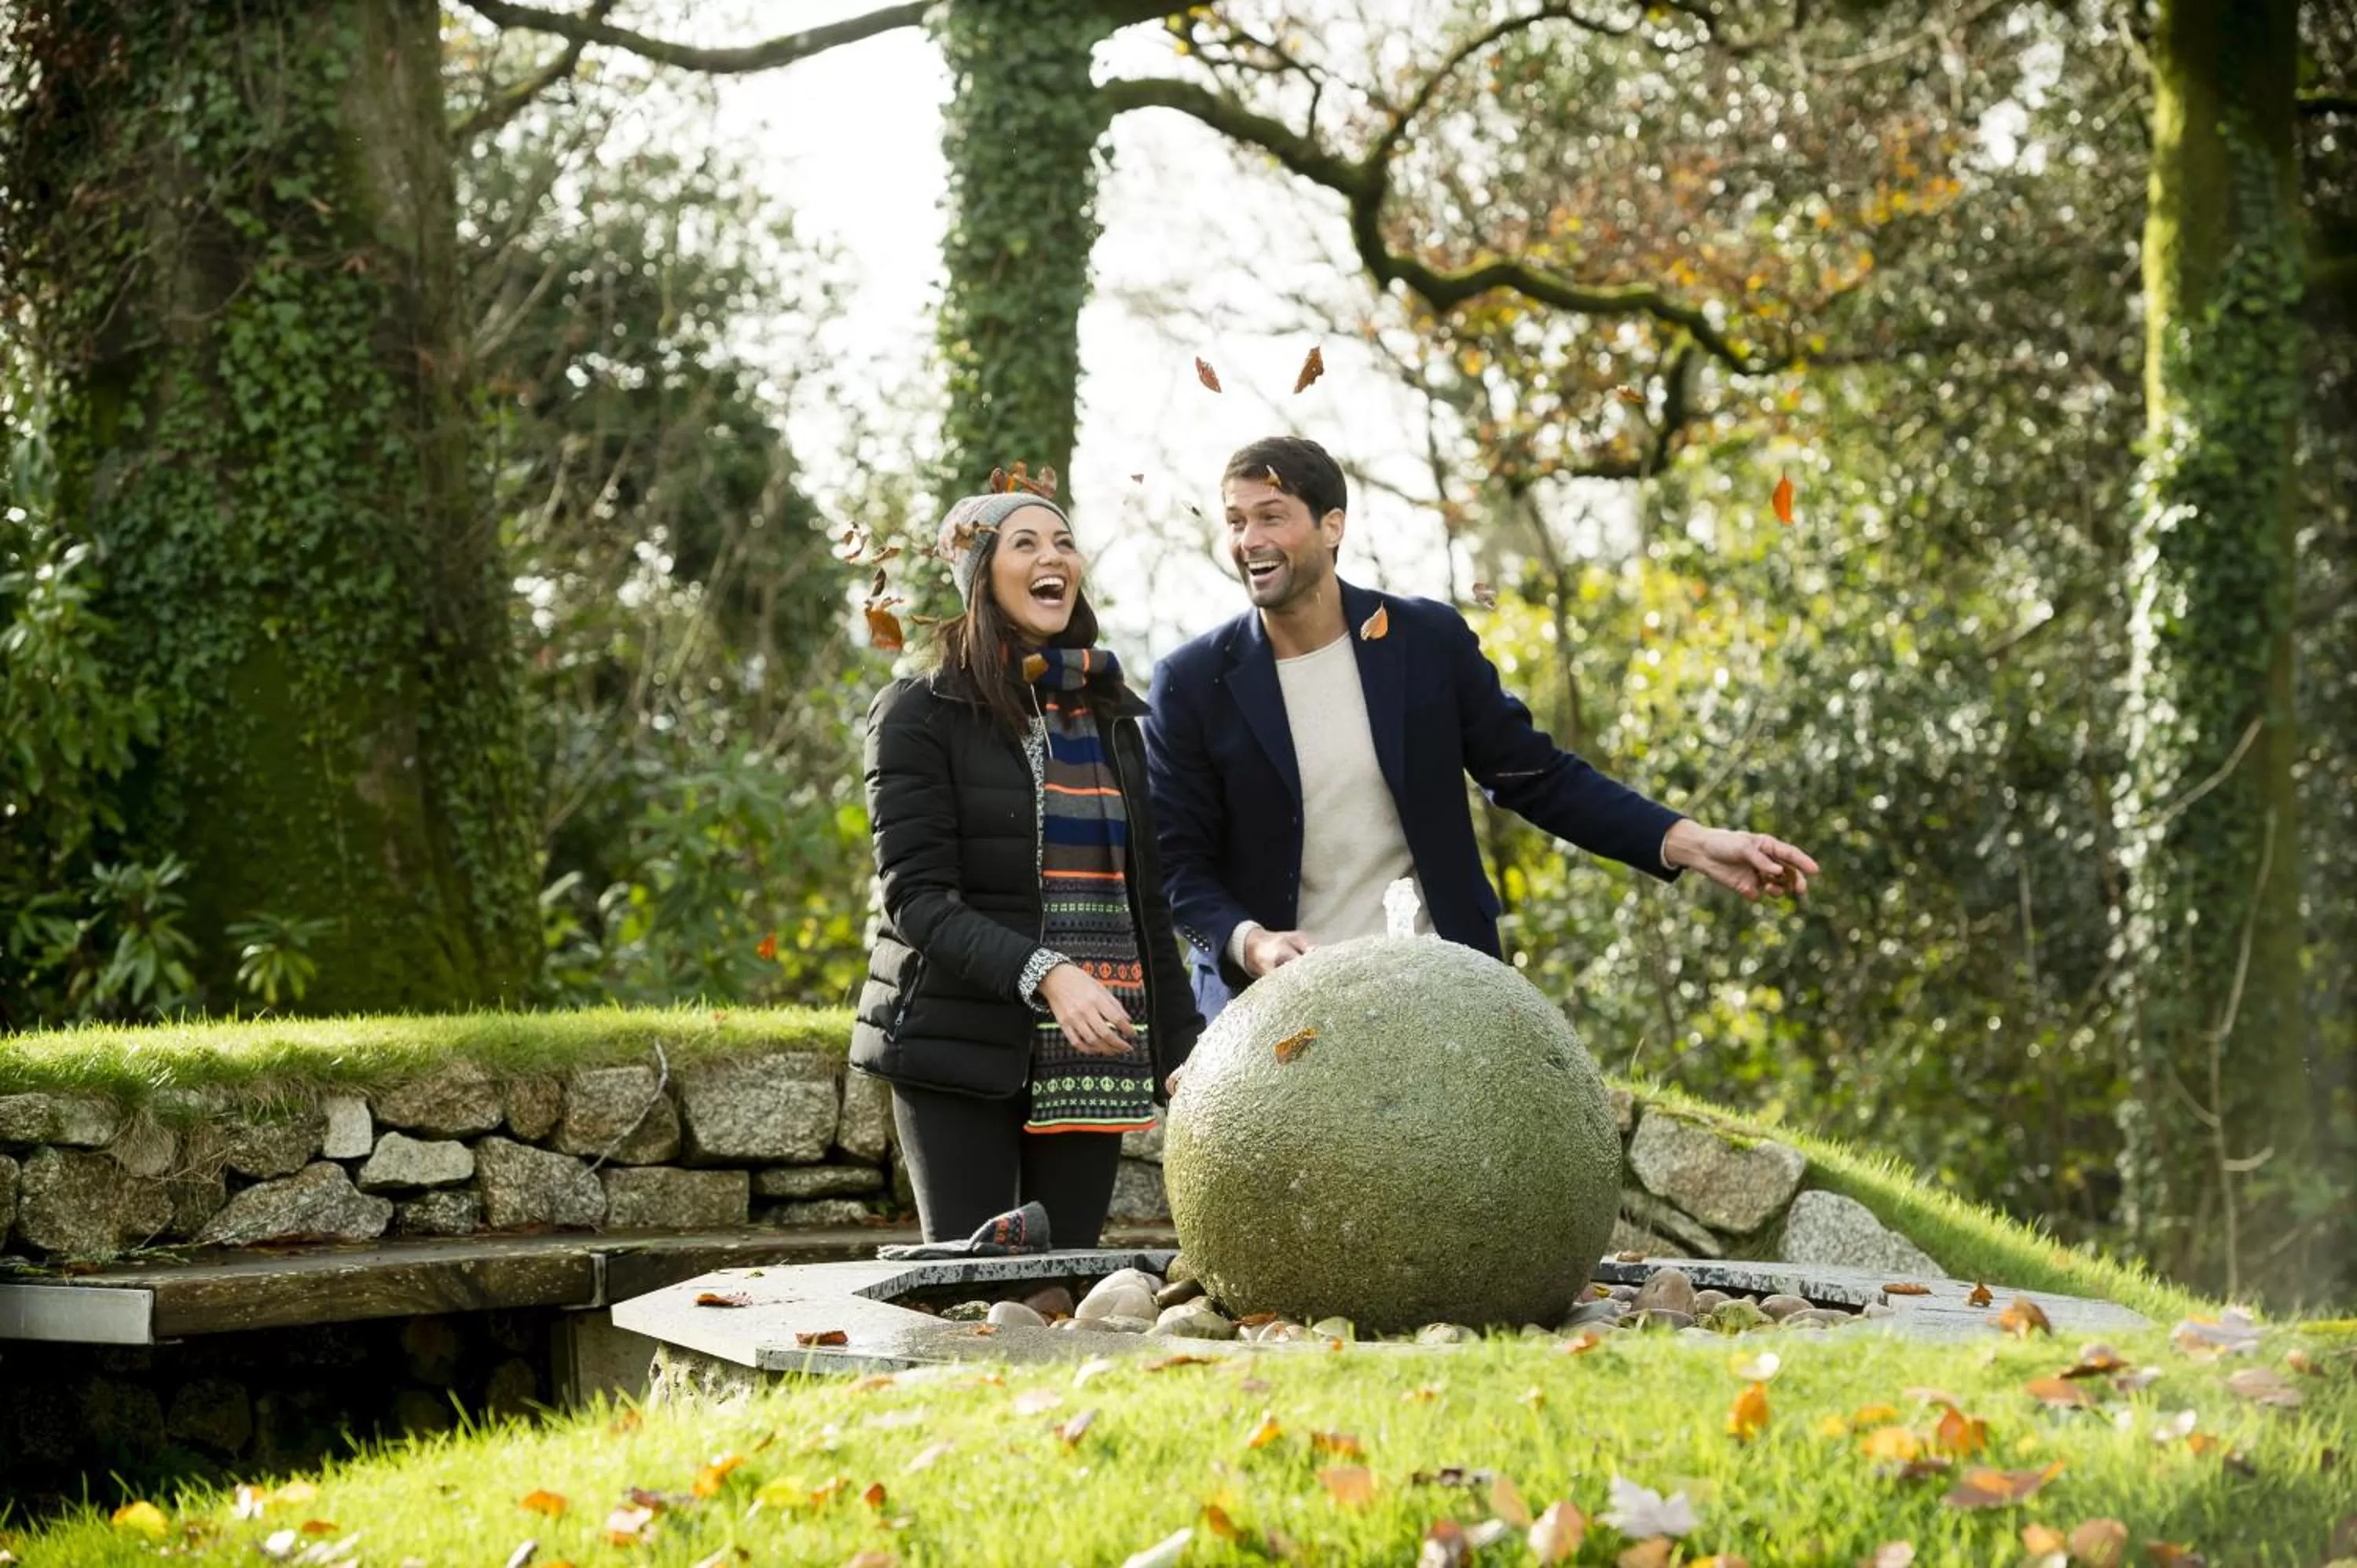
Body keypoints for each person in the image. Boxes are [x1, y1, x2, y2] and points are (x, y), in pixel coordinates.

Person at [1145, 434, 1819, 1020]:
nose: (1249, 540)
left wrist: (1693, 843)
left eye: (1271, 516)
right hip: (1273, 1011)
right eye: (1236, 521)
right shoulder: (1192, 682)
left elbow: (1538, 777)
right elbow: (1178, 865)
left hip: (1436, 990)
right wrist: (1255, 942)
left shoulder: (1424, 642)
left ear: (1332, 526)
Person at [853, 486, 1203, 1247]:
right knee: (973, 1295)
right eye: (1024, 543)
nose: (1053, 557)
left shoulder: (1113, 718)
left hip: (1094, 1047)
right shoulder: (919, 711)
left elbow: (1145, 907)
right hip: (959, 1042)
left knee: (1064, 1288)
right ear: (981, 574)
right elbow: (917, 897)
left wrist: (1184, 1053)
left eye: (1063, 541)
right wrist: (1050, 972)